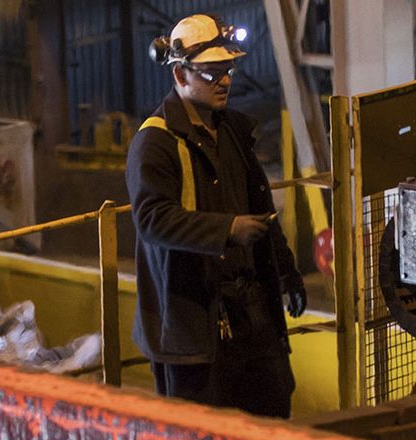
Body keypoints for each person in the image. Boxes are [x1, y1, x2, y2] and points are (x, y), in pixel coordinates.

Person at [127, 14, 306, 419]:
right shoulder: (155, 142)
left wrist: (287, 274)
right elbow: (152, 219)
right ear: (180, 75)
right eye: (211, 73)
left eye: (227, 70)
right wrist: (227, 229)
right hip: (193, 324)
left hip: (250, 312)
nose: (224, 81)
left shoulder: (232, 133)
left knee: (271, 422)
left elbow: (260, 208)